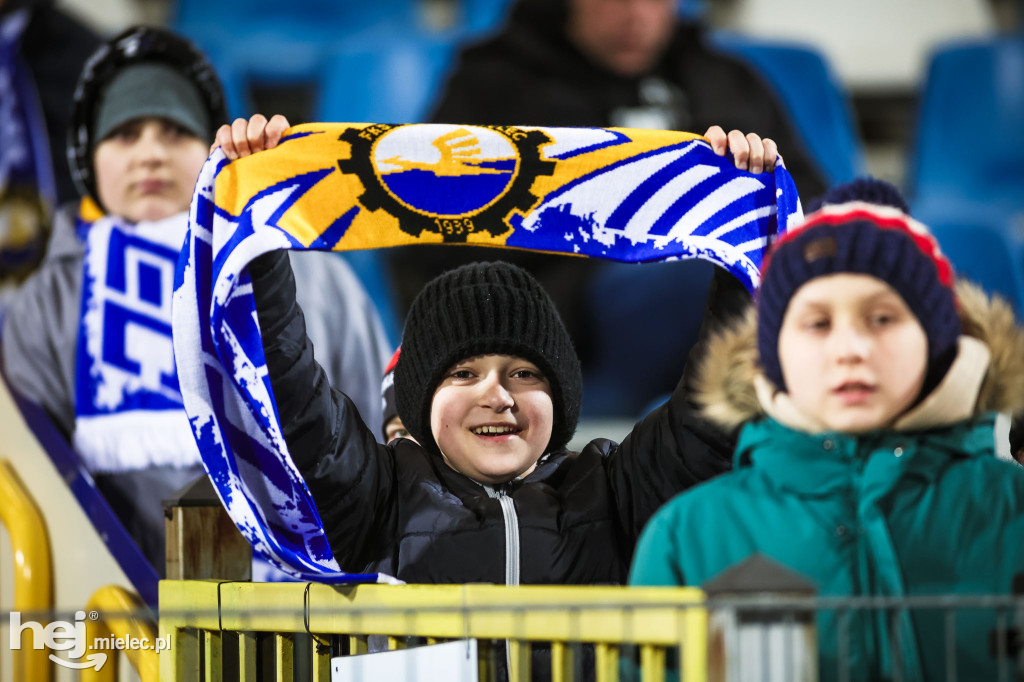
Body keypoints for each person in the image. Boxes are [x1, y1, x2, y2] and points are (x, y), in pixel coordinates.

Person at [213, 116, 774, 677]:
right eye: (462, 373)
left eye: (526, 373)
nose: (497, 395)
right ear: (417, 402)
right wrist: (258, 236)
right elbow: (287, 391)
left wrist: (741, 227)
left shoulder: (611, 491)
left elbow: (711, 413)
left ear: (562, 397)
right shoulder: (376, 494)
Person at [0, 26, 392, 573]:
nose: (151, 154)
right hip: (117, 626)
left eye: (175, 131)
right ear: (88, 158)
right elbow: (41, 485)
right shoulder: (48, 300)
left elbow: (373, 444)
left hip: (308, 608)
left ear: (210, 147)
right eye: (125, 133)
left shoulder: (318, 279)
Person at [629, 182, 1024, 681]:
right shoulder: (689, 535)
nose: (850, 349)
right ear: (773, 355)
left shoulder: (1014, 510)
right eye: (817, 323)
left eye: (882, 318)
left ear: (937, 341)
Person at [388, 0, 828, 416]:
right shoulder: (498, 82)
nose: (635, 16)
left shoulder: (723, 79)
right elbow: (440, 226)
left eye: (654, 1)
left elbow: (804, 199)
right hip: (572, 310)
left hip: (720, 291)